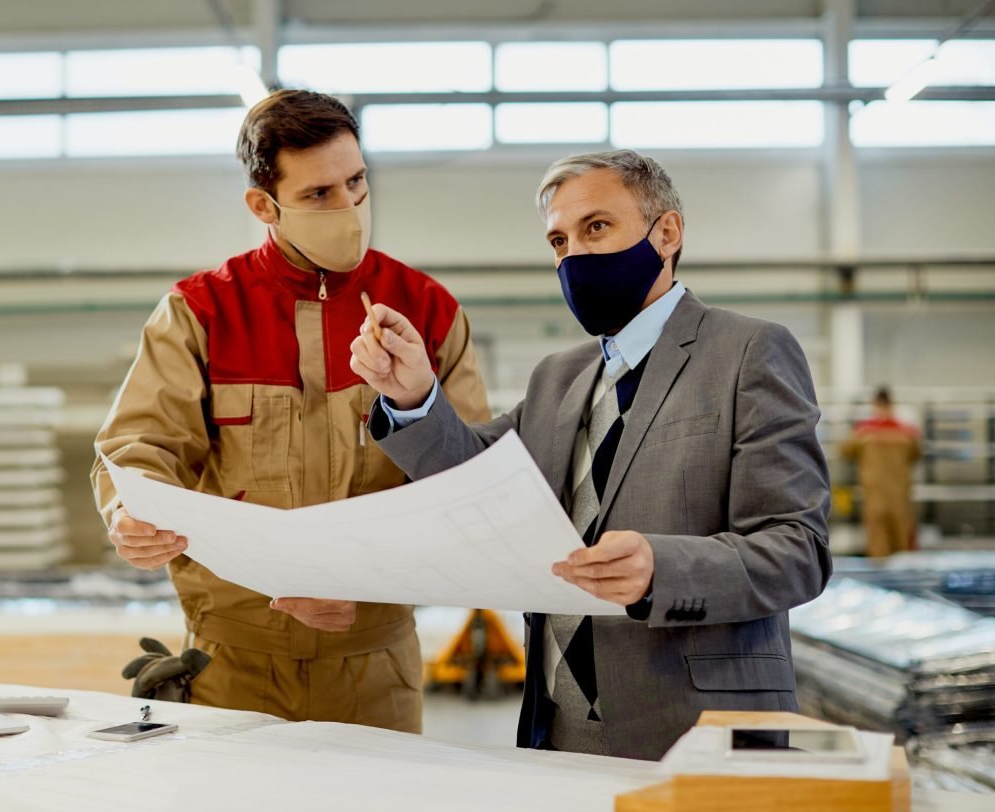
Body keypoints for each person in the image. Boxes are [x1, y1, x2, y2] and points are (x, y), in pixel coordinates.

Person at [349, 150, 832, 759]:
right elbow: (477, 474)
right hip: (559, 726)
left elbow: (798, 550)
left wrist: (662, 569)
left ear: (667, 233)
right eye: (559, 241)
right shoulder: (557, 377)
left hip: (697, 726)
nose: (574, 255)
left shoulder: (749, 353)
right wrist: (415, 394)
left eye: (596, 227)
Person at [92, 89, 489, 733]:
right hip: (230, 666)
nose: (348, 208)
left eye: (356, 182)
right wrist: (130, 511)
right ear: (263, 205)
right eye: (319, 194)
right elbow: (139, 445)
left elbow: (468, 484)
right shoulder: (201, 312)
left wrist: (366, 579)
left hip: (375, 667)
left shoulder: (427, 309)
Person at [842, 387, 921, 558]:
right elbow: (916, 454)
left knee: (878, 546)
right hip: (900, 495)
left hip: (874, 495)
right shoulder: (907, 432)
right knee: (901, 544)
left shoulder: (863, 432)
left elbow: (845, 452)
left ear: (875, 405)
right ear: (892, 404)